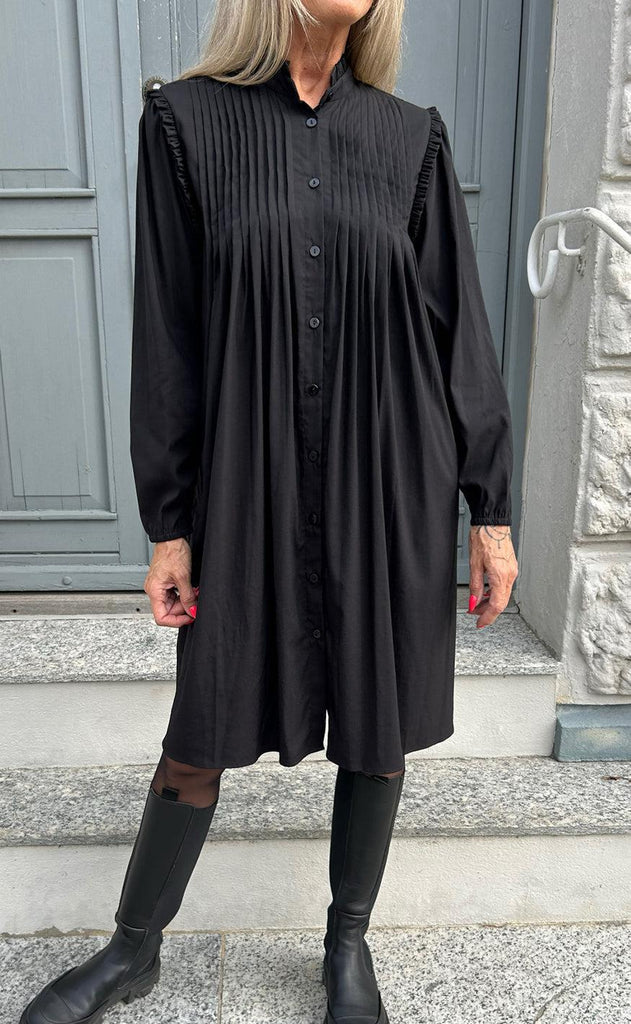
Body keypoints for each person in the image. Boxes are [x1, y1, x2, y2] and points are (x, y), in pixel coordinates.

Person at [19, 1, 518, 1022]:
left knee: (377, 717)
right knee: (203, 720)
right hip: (245, 478)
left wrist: (491, 510)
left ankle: (346, 948)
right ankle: (133, 949)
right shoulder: (184, 123)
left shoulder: (409, 137)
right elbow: (168, 335)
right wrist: (168, 523)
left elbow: (458, 329)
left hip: (388, 475)